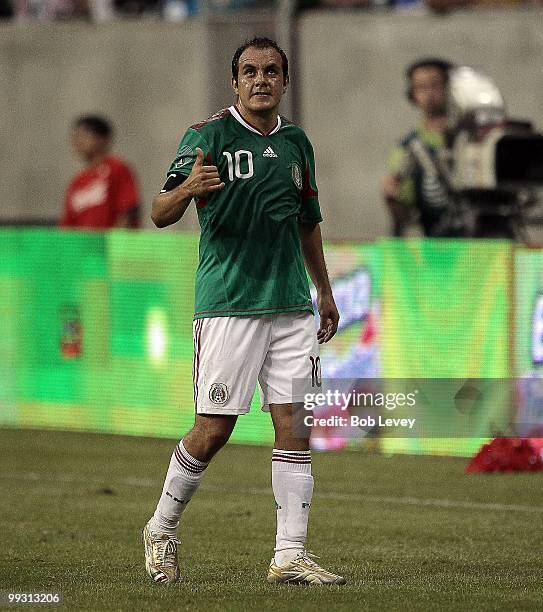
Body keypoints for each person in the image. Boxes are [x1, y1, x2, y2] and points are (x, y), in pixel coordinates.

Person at [143, 36, 345, 586]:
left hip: (289, 305)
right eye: (250, 71)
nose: (261, 80)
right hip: (229, 304)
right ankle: (161, 527)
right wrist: (187, 187)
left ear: (285, 81)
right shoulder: (206, 136)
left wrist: (323, 290)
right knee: (214, 429)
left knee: (294, 426)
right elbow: (159, 212)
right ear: (235, 82)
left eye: (272, 71)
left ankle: (290, 554)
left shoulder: (298, 144)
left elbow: (308, 222)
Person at [382, 58, 466, 237]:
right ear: (412, 94)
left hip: (478, 246)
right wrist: (391, 197)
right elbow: (402, 215)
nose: (429, 93)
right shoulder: (408, 148)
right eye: (421, 87)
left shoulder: (470, 138)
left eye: (436, 84)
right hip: (432, 247)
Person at [59, 115, 140, 229]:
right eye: (76, 137)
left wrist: (113, 243)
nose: (78, 141)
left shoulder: (117, 169)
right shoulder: (76, 182)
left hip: (110, 244)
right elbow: (67, 225)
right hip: (83, 245)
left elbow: (128, 211)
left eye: (84, 135)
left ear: (102, 139)